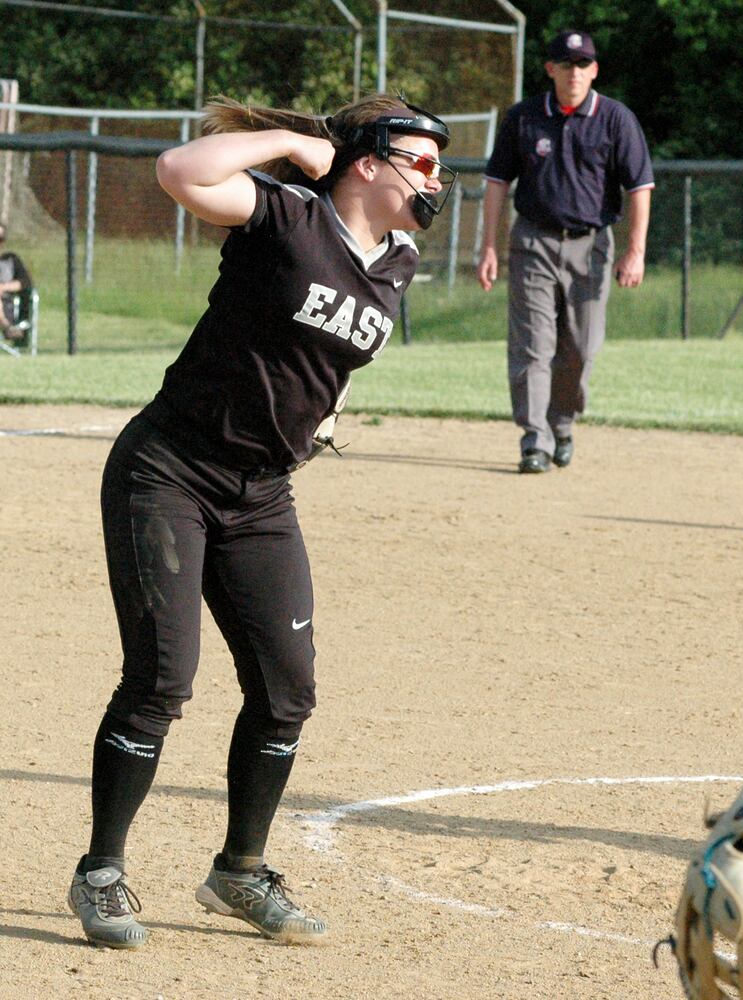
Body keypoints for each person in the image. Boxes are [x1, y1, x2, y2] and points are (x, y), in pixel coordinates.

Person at [67, 92, 454, 950]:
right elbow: (180, 171)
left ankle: (237, 872)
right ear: (367, 165)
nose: (436, 179)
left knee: (286, 691)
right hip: (169, 470)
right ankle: (100, 874)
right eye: (421, 161)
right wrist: (294, 144)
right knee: (162, 681)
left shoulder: (399, 259)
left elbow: (341, 354)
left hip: (263, 495)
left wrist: (321, 417)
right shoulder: (283, 214)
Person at [477, 29, 654, 473]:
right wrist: (489, 248)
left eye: (583, 64)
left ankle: (562, 422)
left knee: (581, 346)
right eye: (566, 63)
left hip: (591, 245)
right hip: (533, 240)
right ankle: (533, 439)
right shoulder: (524, 118)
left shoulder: (615, 119)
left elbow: (639, 186)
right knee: (533, 345)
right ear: (551, 69)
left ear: (593, 70)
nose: (574, 72)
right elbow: (497, 182)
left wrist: (636, 251)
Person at [0, 221, 33, 343]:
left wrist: (3, 287)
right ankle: (8, 328)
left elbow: (25, 282)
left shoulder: (10, 260)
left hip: (6, 306)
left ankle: (7, 326)